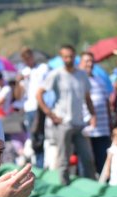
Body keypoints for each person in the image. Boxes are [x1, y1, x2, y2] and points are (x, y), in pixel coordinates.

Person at [36, 44, 97, 185]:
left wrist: (93, 115)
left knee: (87, 158)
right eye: (65, 57)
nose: (68, 59)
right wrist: (49, 113)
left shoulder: (81, 75)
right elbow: (39, 94)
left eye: (71, 56)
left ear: (74, 57)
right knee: (63, 159)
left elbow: (87, 98)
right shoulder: (56, 74)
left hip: (79, 122)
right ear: (62, 58)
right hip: (63, 122)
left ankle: (92, 185)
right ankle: (63, 186)